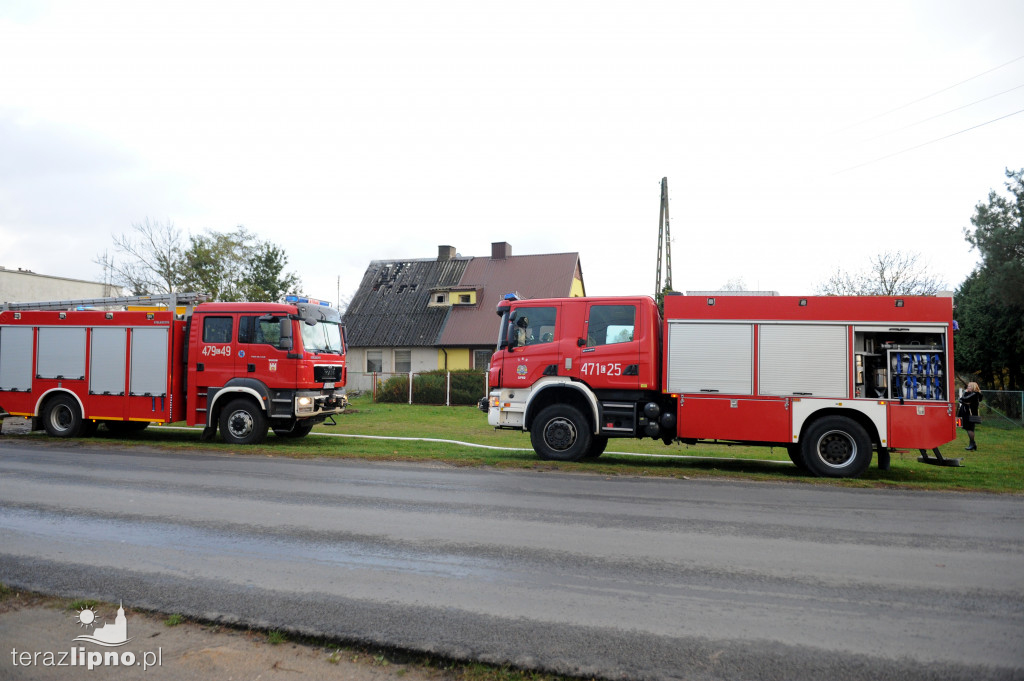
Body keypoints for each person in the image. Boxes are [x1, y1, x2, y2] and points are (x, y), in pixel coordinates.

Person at [958, 382, 983, 451]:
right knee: (966, 427)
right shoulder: (972, 394)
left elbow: (963, 399)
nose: (967, 388)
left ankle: (972, 444)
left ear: (973, 387)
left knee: (970, 428)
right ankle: (973, 444)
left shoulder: (975, 394)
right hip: (965, 412)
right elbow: (961, 400)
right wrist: (963, 401)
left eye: (969, 386)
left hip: (970, 413)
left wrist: (964, 395)